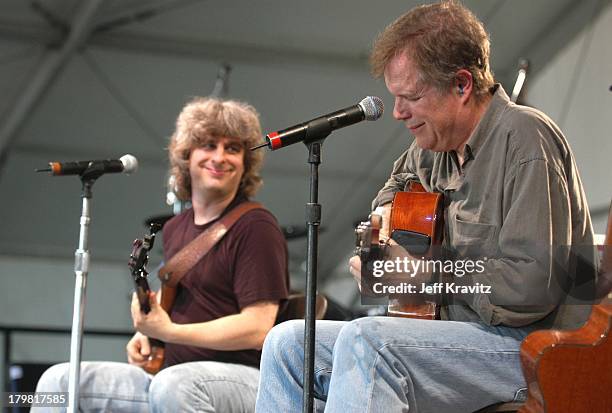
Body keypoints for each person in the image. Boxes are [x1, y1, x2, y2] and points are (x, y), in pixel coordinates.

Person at [254, 1, 595, 412]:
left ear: (462, 85)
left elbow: (531, 289)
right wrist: (382, 234)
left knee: (371, 342)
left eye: (411, 97)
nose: (397, 113)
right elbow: (393, 188)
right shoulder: (433, 147)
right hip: (455, 337)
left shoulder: (526, 139)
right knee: (289, 343)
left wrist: (429, 271)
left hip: (535, 348)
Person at [34, 97, 290, 412]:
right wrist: (146, 335)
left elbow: (259, 327)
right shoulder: (174, 228)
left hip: (246, 380)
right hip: (170, 376)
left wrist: (170, 332)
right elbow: (177, 308)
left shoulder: (256, 225)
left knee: (176, 385)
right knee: (58, 382)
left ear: (245, 163)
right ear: (187, 156)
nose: (220, 157)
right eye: (208, 145)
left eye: (233, 149)